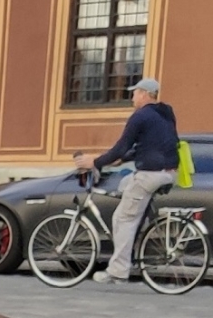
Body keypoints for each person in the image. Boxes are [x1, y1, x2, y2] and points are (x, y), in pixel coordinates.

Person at [75, 74, 180, 283]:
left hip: (149, 174)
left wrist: (95, 162)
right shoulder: (166, 115)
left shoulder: (140, 116)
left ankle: (118, 271)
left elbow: (121, 146)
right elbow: (149, 147)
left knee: (123, 219)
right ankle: (140, 225)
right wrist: (120, 160)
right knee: (125, 190)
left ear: (144, 94)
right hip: (168, 173)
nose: (132, 98)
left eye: (134, 93)